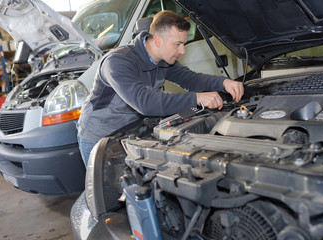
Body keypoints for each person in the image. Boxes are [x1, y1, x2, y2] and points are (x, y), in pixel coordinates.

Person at [77, 10, 244, 166]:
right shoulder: (118, 62)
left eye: (183, 44)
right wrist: (196, 98)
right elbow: (145, 102)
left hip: (132, 132)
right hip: (101, 138)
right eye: (178, 44)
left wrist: (224, 83)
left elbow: (191, 79)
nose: (182, 51)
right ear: (157, 40)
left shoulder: (163, 60)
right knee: (111, 194)